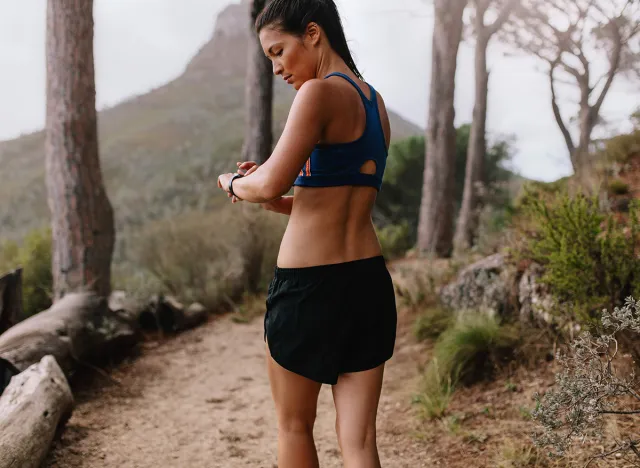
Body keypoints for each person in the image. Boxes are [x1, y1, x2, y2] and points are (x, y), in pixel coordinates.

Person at [217, 1, 397, 466]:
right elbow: (335, 200)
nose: (276, 68)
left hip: (308, 292)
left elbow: (268, 181)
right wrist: (279, 201)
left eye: (278, 51)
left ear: (313, 33)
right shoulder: (376, 105)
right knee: (359, 441)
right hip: (367, 284)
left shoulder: (317, 94)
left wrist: (235, 183)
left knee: (294, 426)